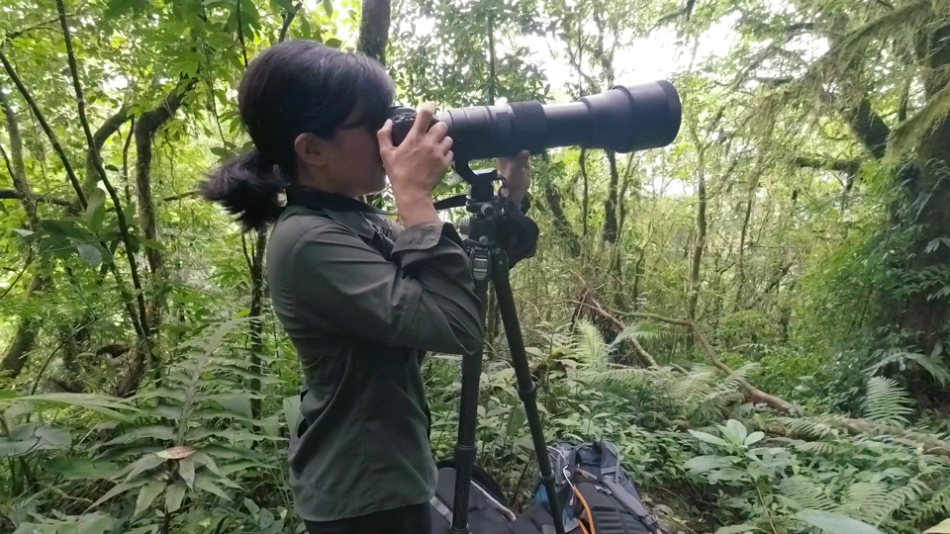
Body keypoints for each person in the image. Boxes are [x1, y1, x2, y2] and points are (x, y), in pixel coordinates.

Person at [200, 39, 539, 534]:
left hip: (390, 473)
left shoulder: (351, 218)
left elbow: (462, 274)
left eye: (391, 116)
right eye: (373, 122)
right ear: (311, 149)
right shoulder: (308, 240)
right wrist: (415, 196)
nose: (391, 133)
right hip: (363, 497)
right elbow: (456, 323)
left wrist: (509, 196)